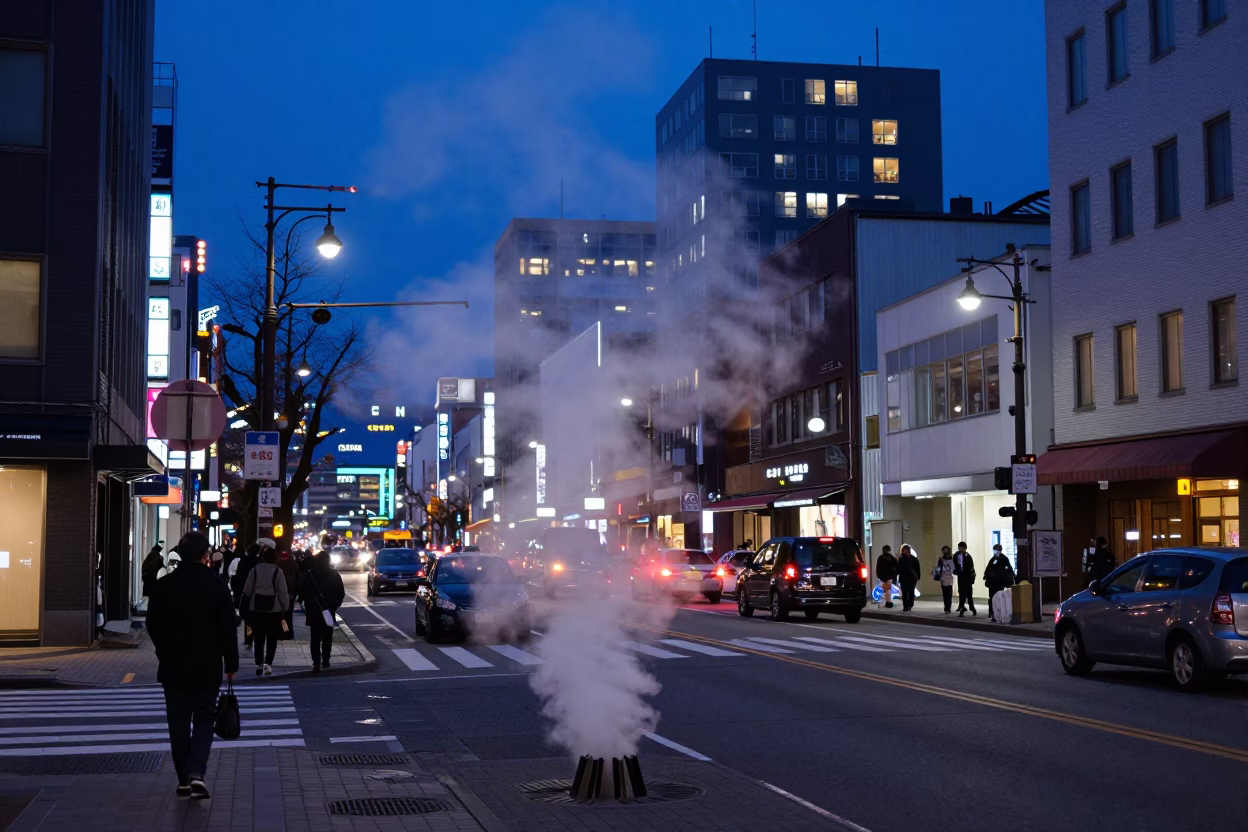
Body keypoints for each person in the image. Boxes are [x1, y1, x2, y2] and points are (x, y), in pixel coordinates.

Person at [145, 531, 238, 800]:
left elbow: (153, 623)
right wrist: (231, 662)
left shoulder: (165, 586)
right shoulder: (218, 585)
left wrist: (162, 649)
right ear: (205, 555)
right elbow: (227, 628)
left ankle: (183, 779)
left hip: (173, 665)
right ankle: (197, 772)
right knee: (204, 718)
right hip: (207, 665)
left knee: (178, 721)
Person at [241, 543, 290, 676]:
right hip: (273, 610)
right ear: (275, 558)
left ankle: (258, 664)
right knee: (272, 638)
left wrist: (245, 606)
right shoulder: (278, 572)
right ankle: (268, 664)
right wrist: (285, 607)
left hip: (256, 609)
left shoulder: (254, 570)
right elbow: (283, 592)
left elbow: (247, 590)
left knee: (258, 638)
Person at [298, 550, 346, 672]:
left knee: (315, 637)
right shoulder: (334, 574)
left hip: (313, 610)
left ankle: (316, 662)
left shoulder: (310, 575)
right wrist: (334, 605)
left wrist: (306, 604)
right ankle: (326, 661)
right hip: (328, 609)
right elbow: (340, 593)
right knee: (327, 636)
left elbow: (302, 592)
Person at [229, 543, 261, 650]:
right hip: (257, 592)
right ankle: (257, 637)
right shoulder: (259, 562)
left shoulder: (243, 561)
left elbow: (238, 577)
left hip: (245, 592)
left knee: (248, 619)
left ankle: (248, 638)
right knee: (257, 616)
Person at [984, 544, 1017, 623]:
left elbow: (1008, 568)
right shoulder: (993, 559)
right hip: (993, 582)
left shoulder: (1004, 559)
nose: (996, 551)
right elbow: (988, 568)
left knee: (999, 599)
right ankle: (992, 613)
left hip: (1000, 582)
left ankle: (998, 615)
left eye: (998, 550)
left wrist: (1010, 576)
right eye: (995, 550)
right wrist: (987, 575)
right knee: (992, 598)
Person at [277, 549, 300, 636]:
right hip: (291, 592)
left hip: (281, 592)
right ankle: (289, 633)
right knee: (289, 613)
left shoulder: (278, 564)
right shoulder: (294, 565)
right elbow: (298, 580)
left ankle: (282, 632)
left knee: (281, 613)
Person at [953, 542, 977, 617]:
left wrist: (972, 578)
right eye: (959, 547)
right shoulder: (957, 555)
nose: (960, 549)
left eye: (962, 547)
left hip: (967, 577)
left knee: (969, 594)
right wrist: (956, 571)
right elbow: (954, 564)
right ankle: (962, 606)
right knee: (962, 592)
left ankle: (971, 608)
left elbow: (971, 568)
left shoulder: (968, 556)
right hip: (961, 576)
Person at [896, 544, 921, 612]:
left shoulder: (914, 559)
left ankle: (910, 604)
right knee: (904, 592)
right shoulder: (901, 559)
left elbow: (917, 569)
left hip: (911, 578)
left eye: (906, 551)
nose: (905, 552)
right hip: (903, 578)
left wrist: (918, 577)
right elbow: (898, 569)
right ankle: (906, 606)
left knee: (910, 591)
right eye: (904, 551)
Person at [875, 545, 898, 609]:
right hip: (889, 576)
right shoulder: (892, 558)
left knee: (885, 590)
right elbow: (896, 568)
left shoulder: (880, 558)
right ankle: (888, 602)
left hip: (883, 576)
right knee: (888, 589)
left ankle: (886, 602)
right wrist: (894, 576)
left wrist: (878, 575)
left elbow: (878, 568)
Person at [937, 546, 955, 613]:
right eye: (944, 550)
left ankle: (948, 607)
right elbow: (938, 567)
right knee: (945, 594)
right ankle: (946, 608)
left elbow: (952, 569)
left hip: (949, 578)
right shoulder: (941, 559)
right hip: (943, 578)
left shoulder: (951, 559)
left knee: (949, 594)